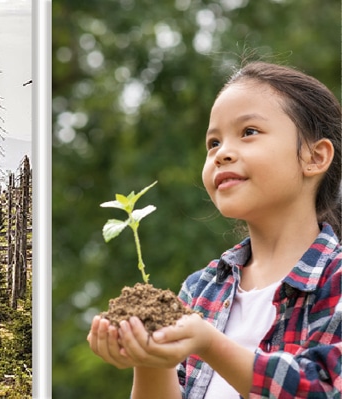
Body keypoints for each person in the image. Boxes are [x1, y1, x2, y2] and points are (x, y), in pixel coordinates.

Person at [87, 61, 341, 399]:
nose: (221, 154)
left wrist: (210, 344)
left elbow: (323, 389)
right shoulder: (201, 289)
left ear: (315, 156)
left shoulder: (334, 279)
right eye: (213, 143)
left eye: (248, 132)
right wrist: (150, 356)